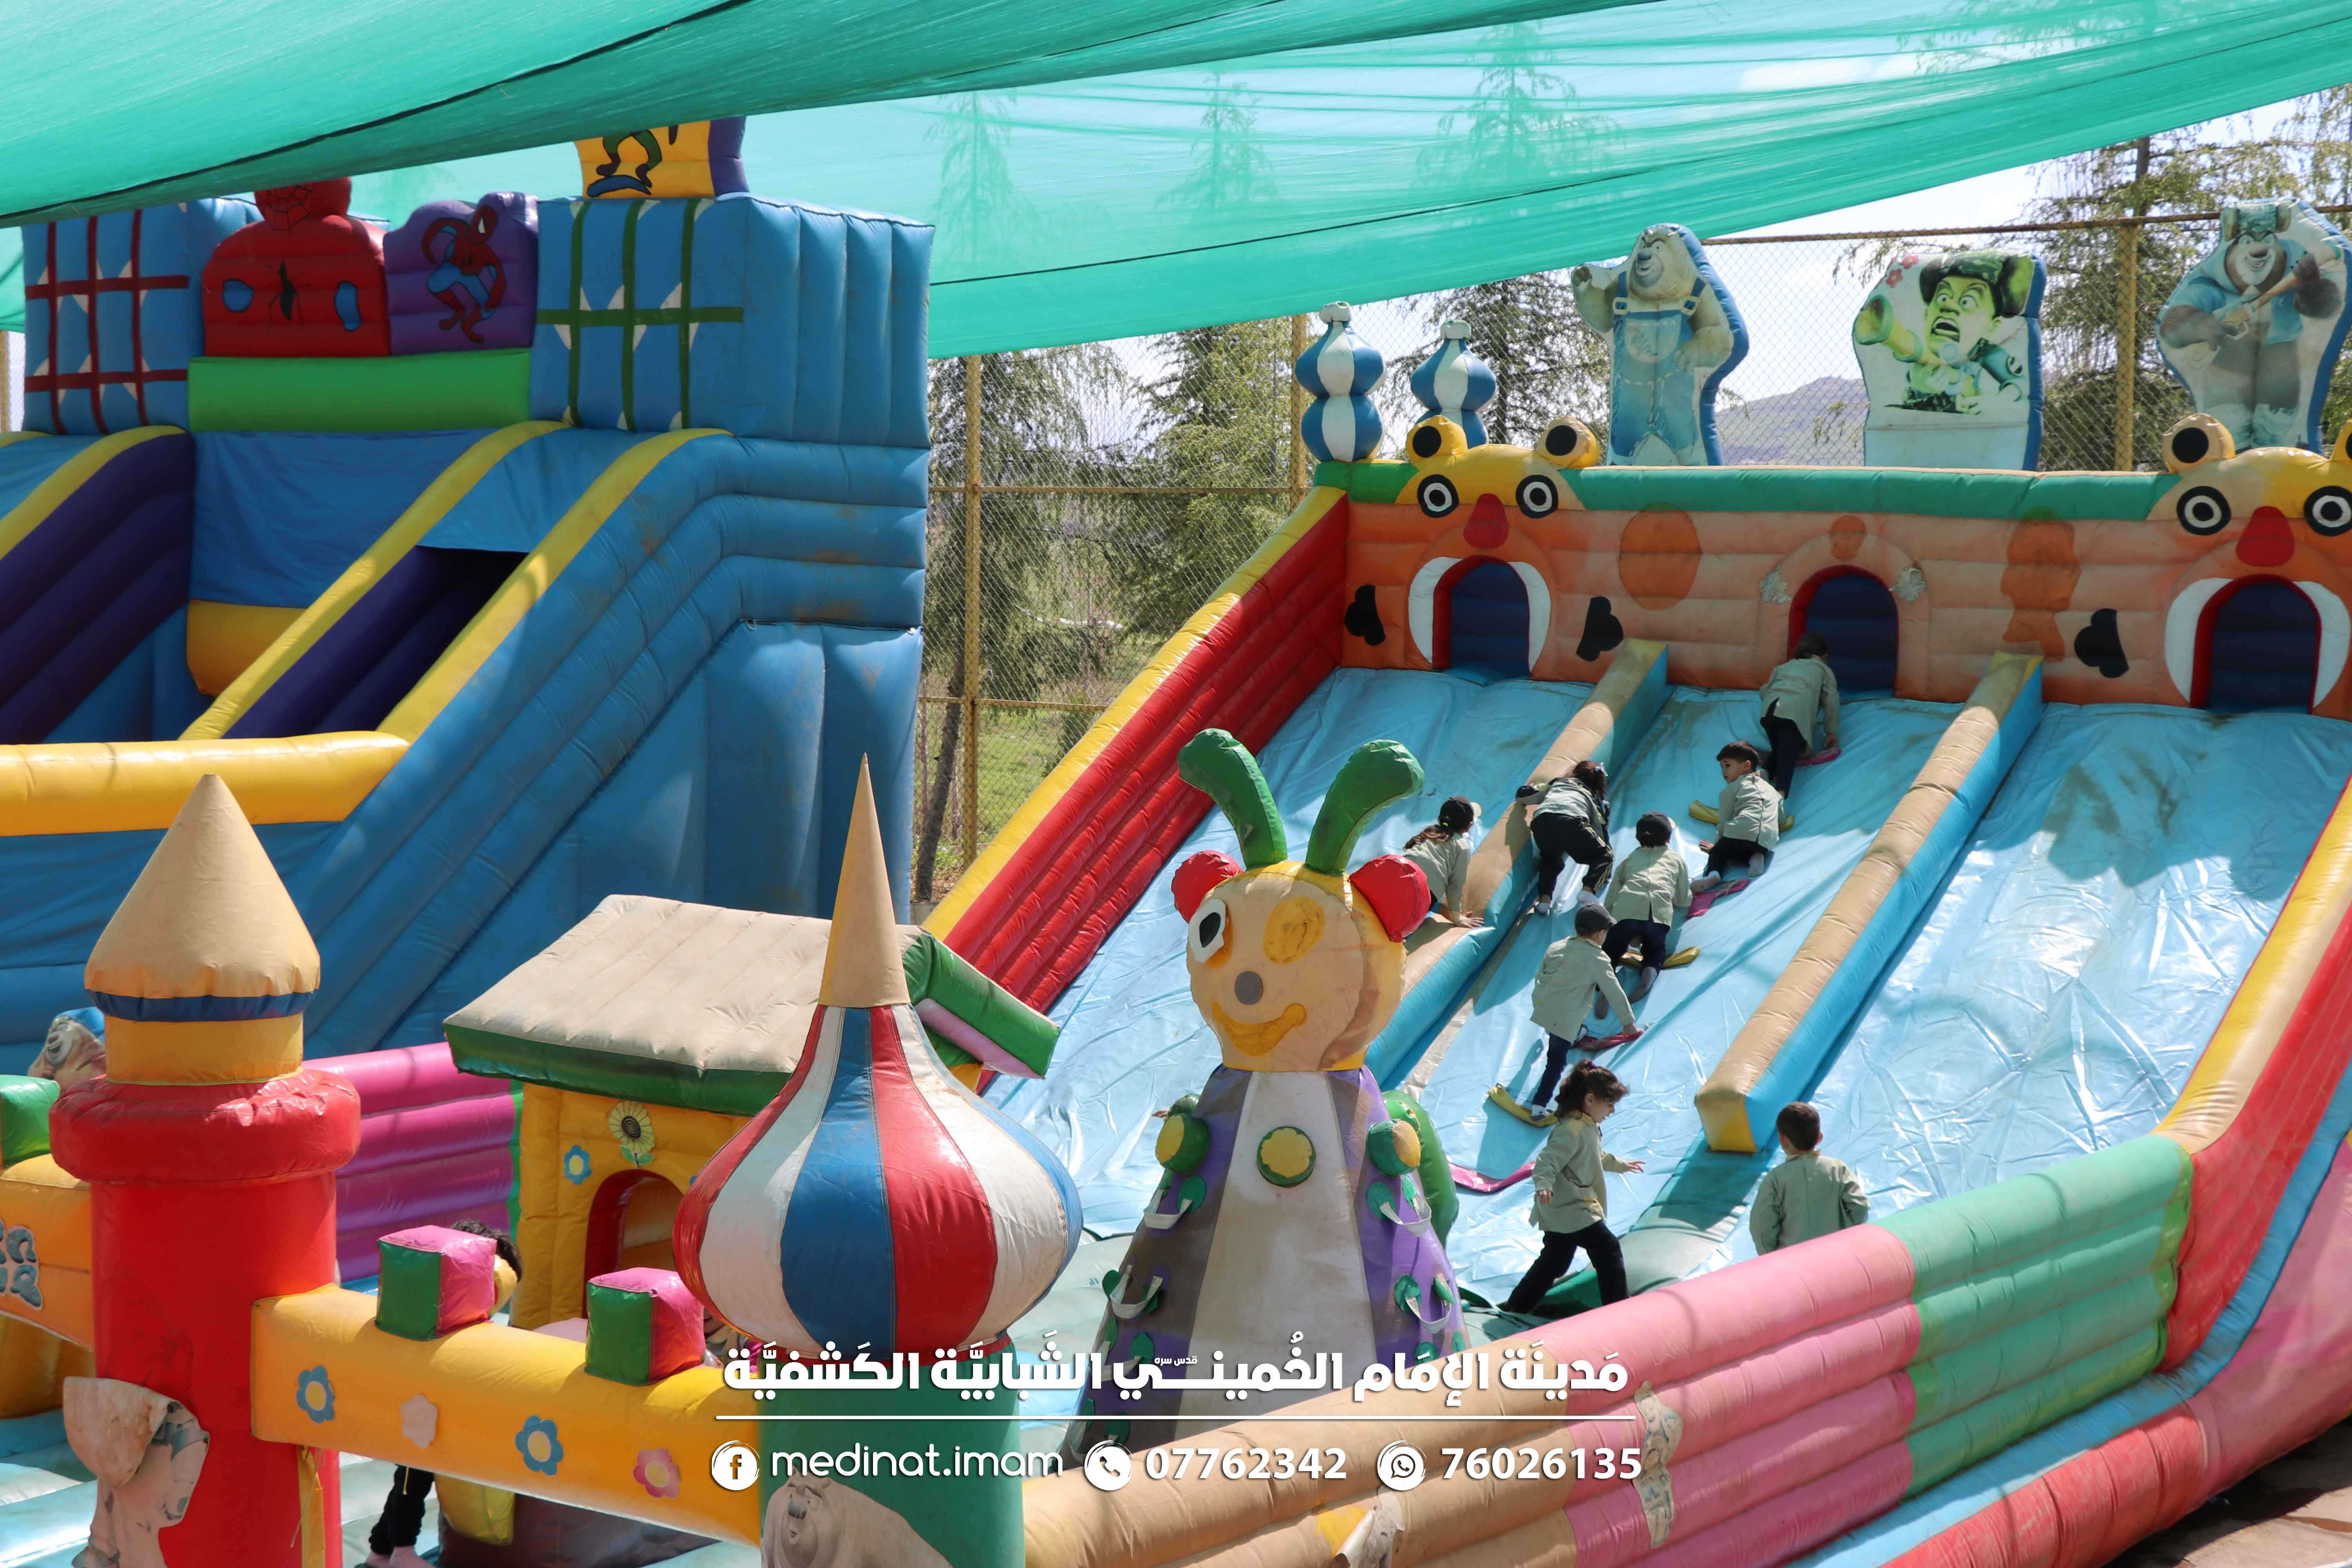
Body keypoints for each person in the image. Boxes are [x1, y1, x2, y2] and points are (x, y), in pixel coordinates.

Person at [365, 1220, 520, 1568]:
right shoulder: (435, 1299)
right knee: (414, 1472)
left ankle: (381, 1550)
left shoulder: (463, 1311)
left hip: (430, 1395)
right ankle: (401, 1549)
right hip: (416, 1397)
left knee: (416, 1470)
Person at [1499, 1060, 1644, 1314]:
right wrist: (1544, 1184)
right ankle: (1619, 1309)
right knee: (1608, 1248)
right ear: (1590, 1100)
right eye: (1609, 1104)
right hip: (1571, 1206)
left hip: (1565, 1208)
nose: (1612, 1111)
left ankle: (1517, 1305)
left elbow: (1594, 1156)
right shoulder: (1572, 1128)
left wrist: (1620, 1164)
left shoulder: (1587, 1125)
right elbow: (1547, 1161)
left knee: (1555, 1261)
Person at [1522, 905, 1642, 1114]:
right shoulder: (1598, 959)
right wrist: (1628, 1023)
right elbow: (1614, 991)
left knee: (1561, 1022)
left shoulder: (1558, 945)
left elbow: (1541, 975)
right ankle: (1539, 1106)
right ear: (1600, 933)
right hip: (1563, 1018)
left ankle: (1570, 1033)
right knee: (1557, 1061)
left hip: (1542, 1004)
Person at [1749, 1102, 1870, 1254]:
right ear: (1820, 1138)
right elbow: (1860, 1208)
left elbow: (1761, 1226)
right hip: (1836, 1257)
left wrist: (1771, 1256)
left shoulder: (1776, 1179)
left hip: (1792, 1262)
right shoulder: (1838, 1170)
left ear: (1783, 1141)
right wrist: (1846, 1235)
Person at [1604, 812, 1690, 1002]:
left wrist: (1610, 919)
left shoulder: (1629, 860)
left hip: (1627, 908)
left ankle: (1605, 979)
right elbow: (1683, 900)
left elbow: (1611, 897)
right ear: (1669, 839)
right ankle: (1649, 973)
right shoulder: (1676, 860)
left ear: (1638, 838)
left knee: (1612, 947)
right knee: (1655, 949)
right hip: (1658, 913)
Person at [1518, 760, 1612, 915]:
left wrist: (1524, 792)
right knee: (1606, 855)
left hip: (1542, 820)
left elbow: (1527, 795)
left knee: (1550, 860)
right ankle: (1588, 891)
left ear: (1575, 773)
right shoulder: (1591, 797)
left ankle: (1544, 901)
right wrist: (1605, 867)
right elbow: (1601, 829)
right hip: (1571, 820)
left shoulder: (1560, 782)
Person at [1757, 634, 1841, 797]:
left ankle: (1765, 773)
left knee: (1782, 748)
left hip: (1769, 711)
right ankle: (1781, 794)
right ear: (1825, 657)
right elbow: (1831, 701)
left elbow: (1764, 692)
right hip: (1794, 713)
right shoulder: (1824, 670)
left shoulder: (1784, 667)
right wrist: (1831, 732)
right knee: (1788, 756)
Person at [1694, 742, 1782, 893]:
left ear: (1746, 766)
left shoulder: (1732, 789)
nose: (1724, 772)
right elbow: (1781, 819)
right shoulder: (1772, 791)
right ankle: (1754, 858)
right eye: (1722, 767)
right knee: (1744, 845)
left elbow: (1724, 821)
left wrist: (1717, 846)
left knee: (1721, 852)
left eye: (1728, 766)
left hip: (1741, 830)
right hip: (1768, 841)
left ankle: (1714, 875)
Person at [1402, 797, 1482, 927]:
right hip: (1424, 891)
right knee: (1404, 919)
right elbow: (1455, 885)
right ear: (1469, 826)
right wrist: (1457, 917)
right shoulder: (1462, 847)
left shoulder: (1431, 832)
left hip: (1400, 872)